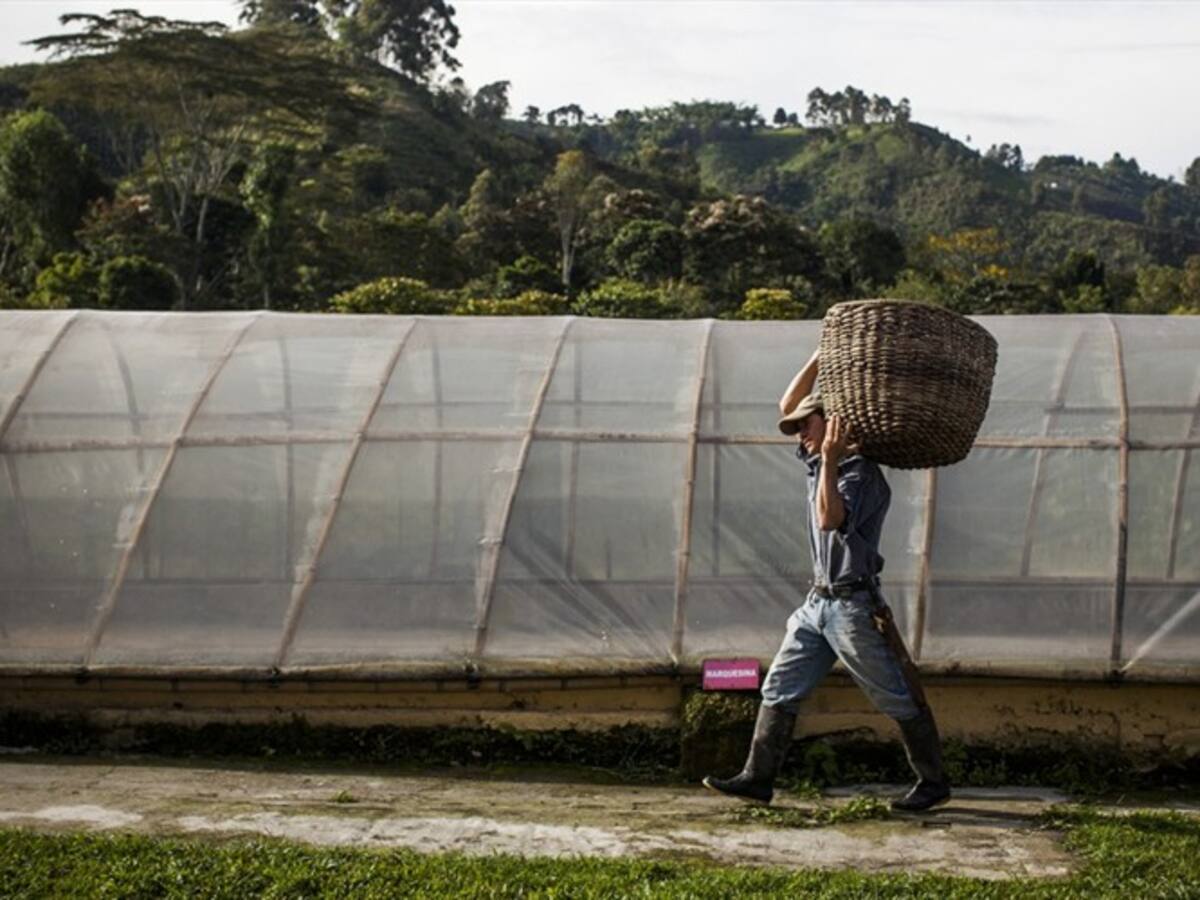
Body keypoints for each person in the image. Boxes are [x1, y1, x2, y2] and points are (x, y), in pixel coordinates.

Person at [702, 348, 950, 812]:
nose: (799, 434)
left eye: (806, 425)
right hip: (817, 605)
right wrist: (823, 354)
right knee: (778, 687)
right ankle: (758, 778)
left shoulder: (858, 474)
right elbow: (786, 403)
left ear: (832, 425)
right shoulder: (820, 462)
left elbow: (828, 518)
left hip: (854, 608)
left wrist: (833, 459)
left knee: (895, 694)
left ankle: (933, 782)